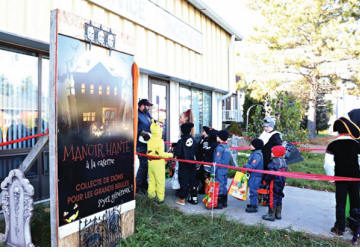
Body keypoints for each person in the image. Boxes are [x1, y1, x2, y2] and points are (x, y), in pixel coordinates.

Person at [324, 117, 360, 236]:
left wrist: (331, 178)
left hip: (340, 179)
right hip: (356, 179)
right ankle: (355, 228)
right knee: (356, 202)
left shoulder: (332, 145)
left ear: (338, 131)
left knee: (340, 203)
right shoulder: (356, 144)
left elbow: (328, 164)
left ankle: (340, 228)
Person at [146, 120, 173, 204]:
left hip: (150, 163)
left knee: (151, 180)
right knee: (160, 181)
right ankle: (160, 198)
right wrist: (170, 155)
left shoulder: (150, 140)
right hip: (158, 164)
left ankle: (151, 196)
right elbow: (160, 154)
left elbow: (150, 152)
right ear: (159, 131)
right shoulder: (160, 141)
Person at [262, 145, 287, 221]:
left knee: (272, 197)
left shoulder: (273, 162)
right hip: (281, 183)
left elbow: (270, 174)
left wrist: (265, 181)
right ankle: (278, 214)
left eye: (272, 152)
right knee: (279, 196)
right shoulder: (284, 162)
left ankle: (271, 214)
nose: (271, 153)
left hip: (274, 183)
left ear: (276, 153)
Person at [174, 122, 197, 206]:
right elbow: (196, 151)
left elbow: (178, 153)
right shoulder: (194, 140)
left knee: (183, 180)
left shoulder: (181, 141)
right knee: (192, 180)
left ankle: (182, 199)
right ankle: (193, 198)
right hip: (192, 163)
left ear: (182, 131)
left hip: (183, 164)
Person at [213, 130, 236, 209]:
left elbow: (216, 161)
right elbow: (231, 158)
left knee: (219, 185)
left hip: (219, 170)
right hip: (225, 169)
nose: (216, 137)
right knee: (224, 185)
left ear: (220, 138)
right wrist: (235, 166)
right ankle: (224, 202)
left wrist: (213, 172)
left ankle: (219, 204)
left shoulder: (219, 148)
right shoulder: (227, 147)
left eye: (217, 136)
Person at [136, 98, 153, 194]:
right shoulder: (137, 114)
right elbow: (134, 128)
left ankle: (144, 184)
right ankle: (138, 186)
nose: (148, 107)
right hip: (140, 144)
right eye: (147, 105)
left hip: (148, 144)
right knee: (143, 165)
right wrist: (142, 133)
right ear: (141, 105)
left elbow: (152, 122)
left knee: (146, 165)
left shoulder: (147, 114)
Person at [196, 126, 218, 194]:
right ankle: (204, 189)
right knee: (202, 175)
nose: (202, 132)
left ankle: (206, 190)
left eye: (203, 131)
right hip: (203, 160)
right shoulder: (203, 139)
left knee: (205, 176)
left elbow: (206, 150)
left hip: (208, 161)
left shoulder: (211, 141)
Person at [244, 138, 264, 213]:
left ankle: (254, 207)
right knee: (252, 190)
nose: (250, 146)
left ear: (256, 146)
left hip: (256, 176)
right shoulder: (255, 153)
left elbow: (252, 166)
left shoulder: (257, 155)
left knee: (253, 191)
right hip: (253, 175)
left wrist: (245, 165)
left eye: (251, 145)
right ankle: (253, 203)